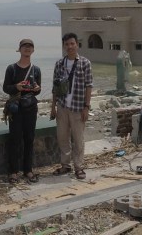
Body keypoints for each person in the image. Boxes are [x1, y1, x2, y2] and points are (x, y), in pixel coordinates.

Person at [50, 33, 93, 180]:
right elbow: (55, 87)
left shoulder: (85, 63)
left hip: (78, 107)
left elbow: (89, 86)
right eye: (67, 44)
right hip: (62, 106)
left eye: (72, 43)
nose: (69, 46)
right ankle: (65, 165)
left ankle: (79, 167)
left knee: (78, 138)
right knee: (62, 137)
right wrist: (53, 106)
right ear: (64, 46)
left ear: (77, 44)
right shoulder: (59, 64)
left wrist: (86, 107)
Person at [3, 39, 42, 184]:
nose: (27, 49)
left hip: (30, 108)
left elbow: (37, 91)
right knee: (15, 139)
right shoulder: (11, 68)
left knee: (29, 139)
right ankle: (13, 172)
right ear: (19, 49)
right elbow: (6, 88)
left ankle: (28, 170)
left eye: (30, 46)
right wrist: (17, 87)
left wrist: (36, 89)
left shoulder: (36, 69)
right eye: (24, 46)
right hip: (16, 108)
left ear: (33, 50)